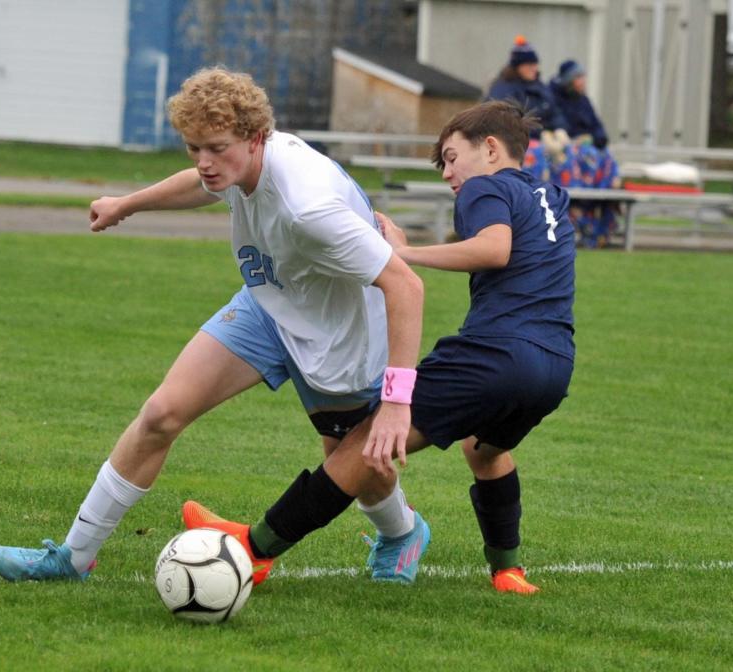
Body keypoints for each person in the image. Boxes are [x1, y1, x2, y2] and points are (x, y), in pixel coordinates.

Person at [0, 66, 427, 585]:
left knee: (356, 465)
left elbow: (406, 286)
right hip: (267, 305)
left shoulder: (308, 206)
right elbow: (203, 182)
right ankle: (72, 559)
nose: (204, 163)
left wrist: (397, 402)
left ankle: (403, 533)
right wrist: (128, 204)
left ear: (256, 137)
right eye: (194, 148)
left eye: (215, 148)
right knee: (161, 415)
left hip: (339, 332)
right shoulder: (236, 161)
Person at [185, 100, 576, 595]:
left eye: (452, 158)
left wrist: (401, 252)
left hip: (495, 355)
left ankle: (256, 547)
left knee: (365, 446)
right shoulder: (549, 195)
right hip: (554, 364)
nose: (449, 174)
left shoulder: (485, 186)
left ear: (492, 149)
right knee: (484, 450)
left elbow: (495, 249)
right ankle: (508, 569)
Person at [550, 59, 621, 247]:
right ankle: (579, 215)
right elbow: (558, 125)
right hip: (569, 147)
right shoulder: (553, 96)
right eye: (578, 77)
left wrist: (596, 138)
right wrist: (580, 139)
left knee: (607, 160)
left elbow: (598, 128)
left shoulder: (583, 99)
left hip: (588, 148)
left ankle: (601, 220)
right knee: (581, 156)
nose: (583, 82)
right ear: (569, 80)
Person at [484, 36, 568, 140]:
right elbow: (505, 123)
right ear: (517, 67)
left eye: (535, 64)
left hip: (548, 140)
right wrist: (541, 135)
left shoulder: (541, 87)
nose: (534, 69)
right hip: (518, 143)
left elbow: (555, 112)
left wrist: (560, 129)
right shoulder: (503, 89)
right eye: (529, 65)